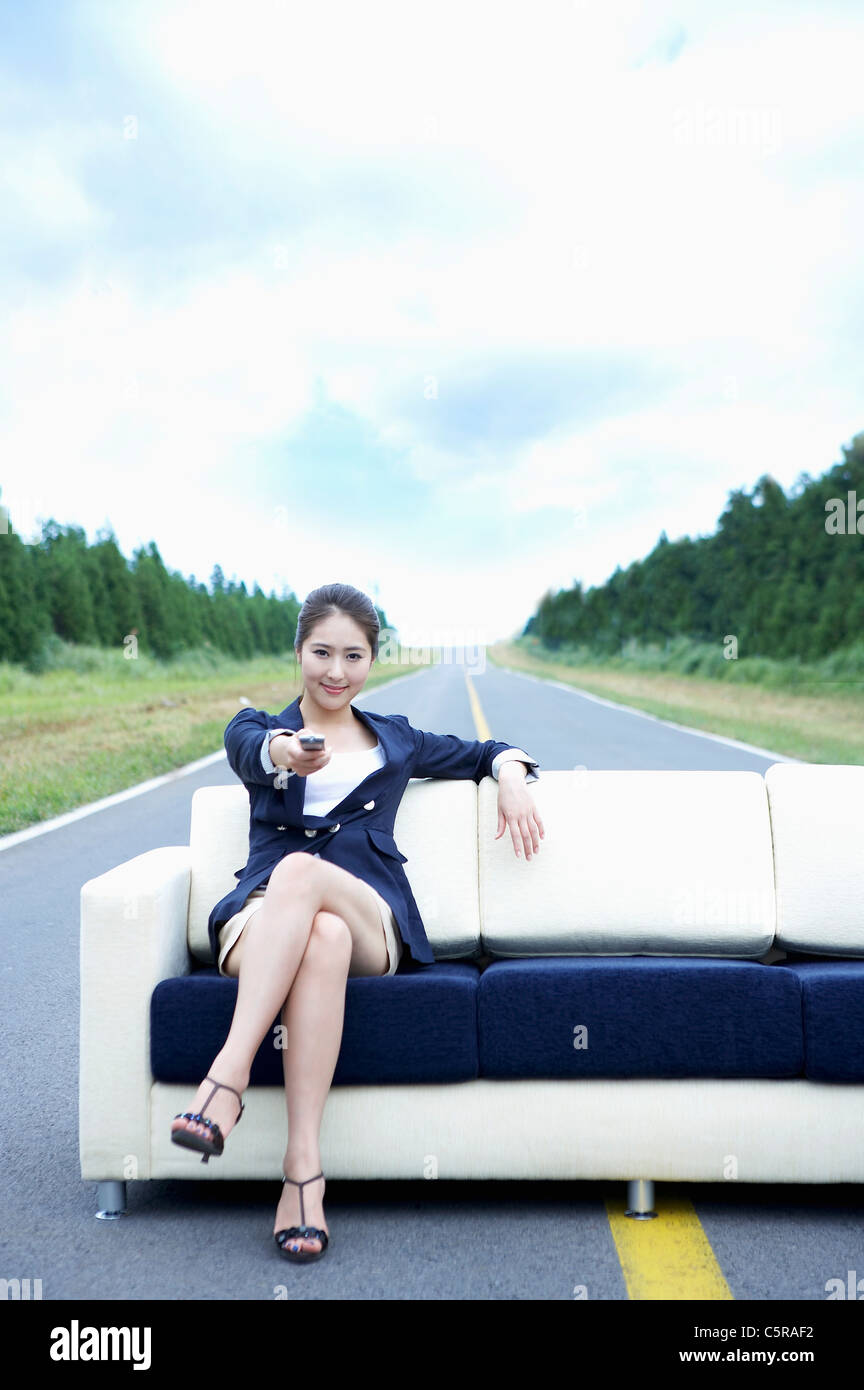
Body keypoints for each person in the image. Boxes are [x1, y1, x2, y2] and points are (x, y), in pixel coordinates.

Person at [170, 583, 544, 1261]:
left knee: (308, 881)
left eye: (352, 656)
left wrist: (511, 774)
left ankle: (224, 1080)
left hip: (369, 914)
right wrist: (288, 754)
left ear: (372, 661)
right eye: (321, 653)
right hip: (261, 920)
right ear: (299, 652)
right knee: (321, 934)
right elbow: (254, 749)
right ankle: (303, 1175)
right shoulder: (258, 727)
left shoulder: (397, 741)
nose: (335, 671)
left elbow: (485, 751)